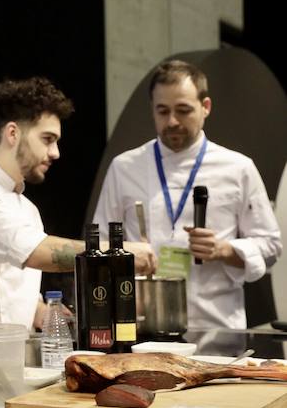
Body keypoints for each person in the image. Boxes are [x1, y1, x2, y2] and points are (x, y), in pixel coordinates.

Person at [0, 77, 156, 330]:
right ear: (13, 133)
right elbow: (36, 253)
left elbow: (21, 303)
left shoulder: (28, 210)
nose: (56, 152)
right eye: (47, 139)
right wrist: (117, 254)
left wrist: (54, 316)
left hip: (10, 361)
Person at [93, 60, 281, 329]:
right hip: (141, 326)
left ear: (206, 108)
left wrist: (225, 249)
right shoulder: (125, 167)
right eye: (162, 111)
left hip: (216, 327)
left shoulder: (238, 168)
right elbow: (98, 245)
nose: (172, 122)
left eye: (183, 110)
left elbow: (271, 245)